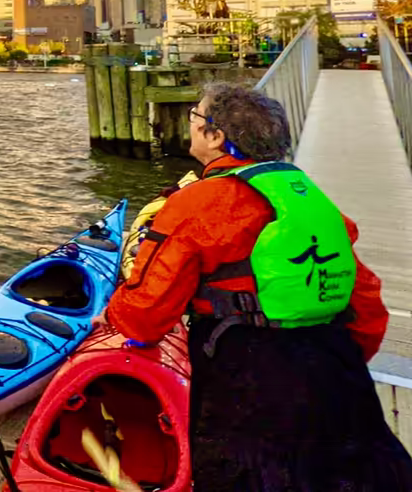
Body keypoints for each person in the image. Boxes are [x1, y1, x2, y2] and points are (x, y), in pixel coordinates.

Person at [106, 81, 412, 491]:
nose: (191, 125)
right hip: (336, 371)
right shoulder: (311, 200)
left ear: (215, 136)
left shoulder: (197, 203)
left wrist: (113, 318)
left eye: (196, 117)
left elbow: (144, 315)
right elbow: (367, 305)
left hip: (246, 377)